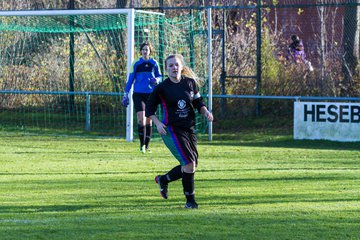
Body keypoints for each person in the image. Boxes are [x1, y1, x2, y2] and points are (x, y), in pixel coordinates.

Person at [145, 54, 214, 209]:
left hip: (188, 129)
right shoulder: (161, 88)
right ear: (166, 68)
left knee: (190, 164)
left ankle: (163, 180)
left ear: (181, 66)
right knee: (189, 163)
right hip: (171, 130)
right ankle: (190, 201)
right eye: (170, 66)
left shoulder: (190, 83)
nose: (174, 68)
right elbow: (149, 109)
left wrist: (206, 112)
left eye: (176, 65)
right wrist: (157, 123)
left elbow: (198, 103)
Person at [122, 42, 162, 153]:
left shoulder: (154, 63)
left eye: (147, 49)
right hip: (138, 94)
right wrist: (125, 94)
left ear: (150, 51)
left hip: (150, 94)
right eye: (143, 49)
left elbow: (160, 76)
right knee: (141, 119)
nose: (145, 51)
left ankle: (147, 146)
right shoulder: (136, 63)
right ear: (141, 51)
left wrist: (157, 80)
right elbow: (130, 79)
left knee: (149, 119)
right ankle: (141, 145)